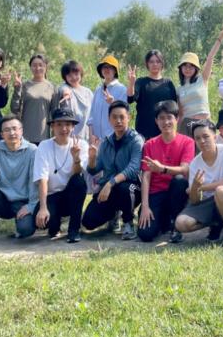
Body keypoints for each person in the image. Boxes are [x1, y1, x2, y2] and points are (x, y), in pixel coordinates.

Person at [175, 120, 223, 249]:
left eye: (206, 136)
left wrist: (201, 187)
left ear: (215, 137)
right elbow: (195, 201)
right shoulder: (195, 163)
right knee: (181, 223)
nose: (202, 141)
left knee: (221, 190)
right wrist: (195, 188)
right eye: (198, 138)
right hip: (209, 203)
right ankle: (216, 223)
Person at [83, 101, 144, 239]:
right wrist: (92, 158)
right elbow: (93, 170)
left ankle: (128, 222)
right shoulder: (106, 143)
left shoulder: (136, 140)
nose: (118, 121)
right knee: (88, 221)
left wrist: (110, 183)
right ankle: (114, 215)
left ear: (129, 117)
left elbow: (134, 168)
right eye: (114, 117)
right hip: (109, 190)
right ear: (109, 119)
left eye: (122, 117)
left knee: (124, 188)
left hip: (132, 188)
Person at [0, 115, 38, 247]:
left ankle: (20, 225)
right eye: (7, 130)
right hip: (2, 200)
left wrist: (31, 205)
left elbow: (35, 181)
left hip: (22, 201)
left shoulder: (32, 150)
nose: (12, 133)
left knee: (26, 230)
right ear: (1, 134)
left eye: (15, 128)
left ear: (21, 131)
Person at [138, 101, 195, 243]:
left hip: (176, 192)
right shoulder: (149, 145)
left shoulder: (187, 142)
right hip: (156, 193)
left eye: (169, 117)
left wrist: (162, 169)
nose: (166, 122)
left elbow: (185, 169)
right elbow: (146, 176)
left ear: (177, 119)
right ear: (156, 121)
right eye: (161, 118)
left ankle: (175, 224)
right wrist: (145, 206)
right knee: (145, 234)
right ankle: (163, 221)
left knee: (180, 180)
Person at [33, 108, 88, 243]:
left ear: (73, 127)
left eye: (68, 124)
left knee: (79, 181)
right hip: (51, 196)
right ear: (52, 126)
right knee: (43, 222)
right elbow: (42, 179)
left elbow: (78, 173)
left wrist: (76, 158)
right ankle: (55, 224)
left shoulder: (81, 144)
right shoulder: (44, 146)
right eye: (59, 124)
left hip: (69, 195)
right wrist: (43, 208)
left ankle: (74, 229)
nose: (64, 129)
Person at [176, 25, 223, 136]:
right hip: (186, 126)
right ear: (180, 68)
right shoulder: (178, 89)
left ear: (196, 68)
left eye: (191, 66)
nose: (188, 69)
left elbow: (210, 57)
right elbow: (180, 114)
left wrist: (220, 38)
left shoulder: (202, 80)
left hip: (204, 123)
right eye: (185, 65)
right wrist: (177, 133)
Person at [127, 50, 178, 140]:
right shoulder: (141, 82)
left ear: (162, 64)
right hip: (144, 131)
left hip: (164, 130)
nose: (155, 64)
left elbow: (174, 108)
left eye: (158, 61)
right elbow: (130, 99)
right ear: (147, 64)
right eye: (151, 62)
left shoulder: (168, 83)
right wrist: (131, 83)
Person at [11, 54, 56, 144]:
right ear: (30, 67)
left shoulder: (52, 87)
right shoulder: (24, 85)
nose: (37, 68)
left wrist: (55, 135)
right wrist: (17, 89)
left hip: (44, 135)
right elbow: (14, 109)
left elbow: (55, 113)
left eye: (41, 65)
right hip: (25, 135)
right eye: (34, 65)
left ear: (46, 67)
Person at [87, 55, 128, 142]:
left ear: (115, 71)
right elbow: (91, 116)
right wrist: (91, 136)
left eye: (110, 67)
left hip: (113, 140)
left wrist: (113, 103)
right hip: (96, 140)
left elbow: (124, 116)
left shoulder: (122, 89)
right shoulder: (98, 90)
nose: (107, 69)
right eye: (104, 67)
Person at [53, 59, 93, 140]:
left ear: (81, 74)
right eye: (69, 76)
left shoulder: (88, 92)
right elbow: (64, 90)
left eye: (76, 74)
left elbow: (92, 115)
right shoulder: (64, 88)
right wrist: (66, 93)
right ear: (65, 77)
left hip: (86, 134)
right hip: (68, 135)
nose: (74, 77)